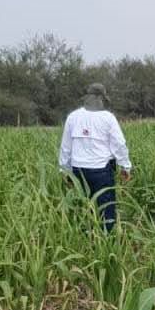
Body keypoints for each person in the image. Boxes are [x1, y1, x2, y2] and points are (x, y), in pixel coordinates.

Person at [59, 83, 132, 232]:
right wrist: (125, 166)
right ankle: (106, 239)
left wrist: (64, 171)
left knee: (85, 206)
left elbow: (65, 147)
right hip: (101, 172)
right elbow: (119, 145)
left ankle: (87, 237)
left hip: (78, 170)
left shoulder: (73, 117)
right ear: (99, 98)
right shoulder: (108, 118)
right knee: (106, 208)